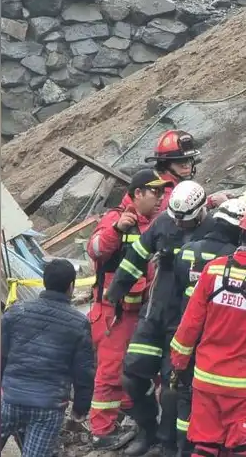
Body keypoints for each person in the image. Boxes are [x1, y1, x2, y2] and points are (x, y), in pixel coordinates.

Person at [169, 205, 246, 457]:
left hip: (206, 380)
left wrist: (178, 364)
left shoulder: (212, 270)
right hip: (245, 387)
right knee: (242, 449)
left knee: (204, 446)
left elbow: (189, 324)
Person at [106, 180, 213, 457]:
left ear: (201, 210)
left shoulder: (213, 229)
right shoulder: (164, 222)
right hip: (154, 314)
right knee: (132, 376)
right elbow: (136, 255)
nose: (179, 225)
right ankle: (146, 430)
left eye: (184, 220)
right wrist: (116, 289)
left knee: (172, 388)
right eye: (174, 218)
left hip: (185, 322)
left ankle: (167, 444)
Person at [85, 169, 170, 449]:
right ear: (137, 194)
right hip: (114, 312)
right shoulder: (114, 219)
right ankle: (101, 431)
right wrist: (116, 229)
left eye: (161, 192)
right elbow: (95, 249)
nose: (160, 198)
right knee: (110, 373)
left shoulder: (155, 224)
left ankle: (134, 416)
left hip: (143, 312)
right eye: (154, 192)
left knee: (144, 369)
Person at [171, 198, 246, 454]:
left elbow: (177, 294)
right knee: (215, 403)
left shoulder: (186, 251)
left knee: (186, 397)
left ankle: (183, 448)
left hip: (185, 337)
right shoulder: (232, 260)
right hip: (216, 343)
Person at [1, 259, 95, 457]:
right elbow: (84, 371)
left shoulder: (16, 312)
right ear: (71, 286)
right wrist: (80, 408)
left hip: (9, 401)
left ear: (44, 282)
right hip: (48, 408)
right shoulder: (79, 323)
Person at [146, 129, 202, 213]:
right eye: (180, 161)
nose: (186, 166)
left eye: (189, 159)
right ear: (165, 164)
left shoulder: (167, 183)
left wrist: (211, 200)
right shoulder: (165, 195)